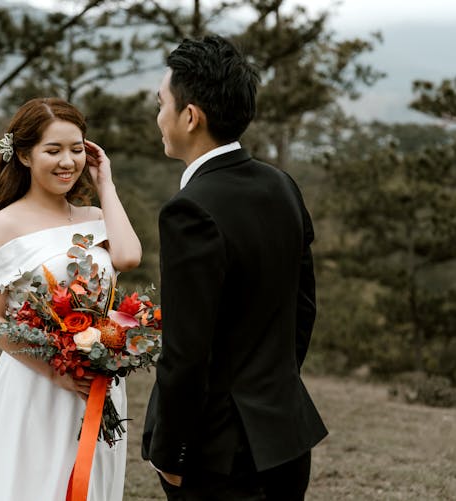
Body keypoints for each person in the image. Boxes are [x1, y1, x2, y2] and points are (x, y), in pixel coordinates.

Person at [141, 35, 328, 500]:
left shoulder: (189, 210)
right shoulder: (281, 184)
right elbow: (304, 310)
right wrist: (271, 392)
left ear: (190, 116)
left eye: (162, 103)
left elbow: (186, 353)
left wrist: (174, 454)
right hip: (285, 440)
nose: (158, 115)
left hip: (219, 459)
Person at [0, 97, 142, 501]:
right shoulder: (7, 222)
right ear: (24, 156)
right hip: (37, 382)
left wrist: (106, 185)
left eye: (76, 149)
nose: (67, 161)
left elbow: (128, 257)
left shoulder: (94, 218)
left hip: (99, 384)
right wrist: (54, 370)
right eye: (53, 150)